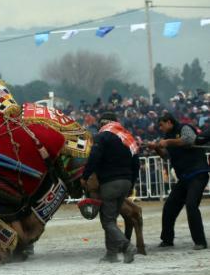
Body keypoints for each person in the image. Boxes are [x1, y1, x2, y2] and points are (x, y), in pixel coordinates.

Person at [81, 112, 138, 263]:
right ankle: (111, 254)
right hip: (126, 182)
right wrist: (132, 184)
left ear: (103, 123)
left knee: (107, 221)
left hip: (110, 183)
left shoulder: (102, 136)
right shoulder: (127, 137)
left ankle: (126, 246)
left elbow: (94, 157)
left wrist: (85, 176)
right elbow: (136, 163)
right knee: (111, 218)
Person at [149, 113, 209, 250]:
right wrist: (157, 148)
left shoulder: (184, 128)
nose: (160, 128)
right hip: (184, 177)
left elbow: (190, 140)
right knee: (169, 206)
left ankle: (200, 242)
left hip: (198, 174)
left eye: (161, 125)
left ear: (169, 122)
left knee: (191, 205)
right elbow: (165, 156)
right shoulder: (167, 137)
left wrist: (168, 142)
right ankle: (167, 239)